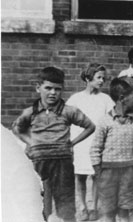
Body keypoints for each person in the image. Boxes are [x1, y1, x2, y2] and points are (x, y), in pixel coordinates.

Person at [12, 67, 96, 222]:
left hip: (62, 161)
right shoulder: (31, 112)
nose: (52, 93)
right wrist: (31, 142)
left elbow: (90, 126)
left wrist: (73, 143)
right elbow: (17, 128)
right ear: (38, 88)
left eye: (57, 89)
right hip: (38, 161)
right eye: (48, 88)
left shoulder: (69, 111)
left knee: (65, 201)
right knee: (38, 200)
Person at [67, 63, 115, 221]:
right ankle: (81, 206)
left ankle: (93, 206)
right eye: (98, 77)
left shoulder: (105, 99)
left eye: (103, 78)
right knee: (80, 175)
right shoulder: (76, 99)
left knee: (96, 175)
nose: (101, 81)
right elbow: (67, 119)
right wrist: (70, 142)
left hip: (97, 143)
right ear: (88, 78)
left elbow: (111, 119)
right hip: (80, 141)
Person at [90, 78, 133, 222]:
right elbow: (95, 148)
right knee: (108, 211)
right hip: (107, 172)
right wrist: (98, 171)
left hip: (129, 171)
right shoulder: (104, 120)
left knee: (124, 210)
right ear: (122, 98)